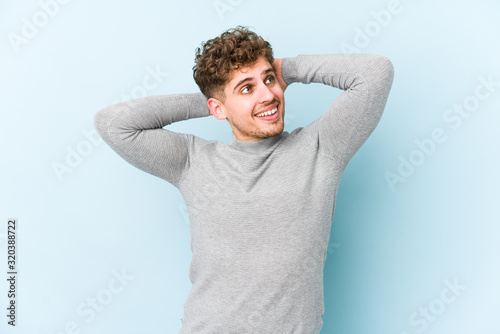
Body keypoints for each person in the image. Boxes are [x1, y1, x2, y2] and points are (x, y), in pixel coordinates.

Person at [94, 26, 394, 334]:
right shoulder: (191, 161)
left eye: (268, 79)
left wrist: (286, 70)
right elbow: (114, 124)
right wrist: (215, 98)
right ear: (218, 108)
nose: (268, 95)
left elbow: (374, 73)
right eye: (247, 88)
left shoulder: (321, 148)